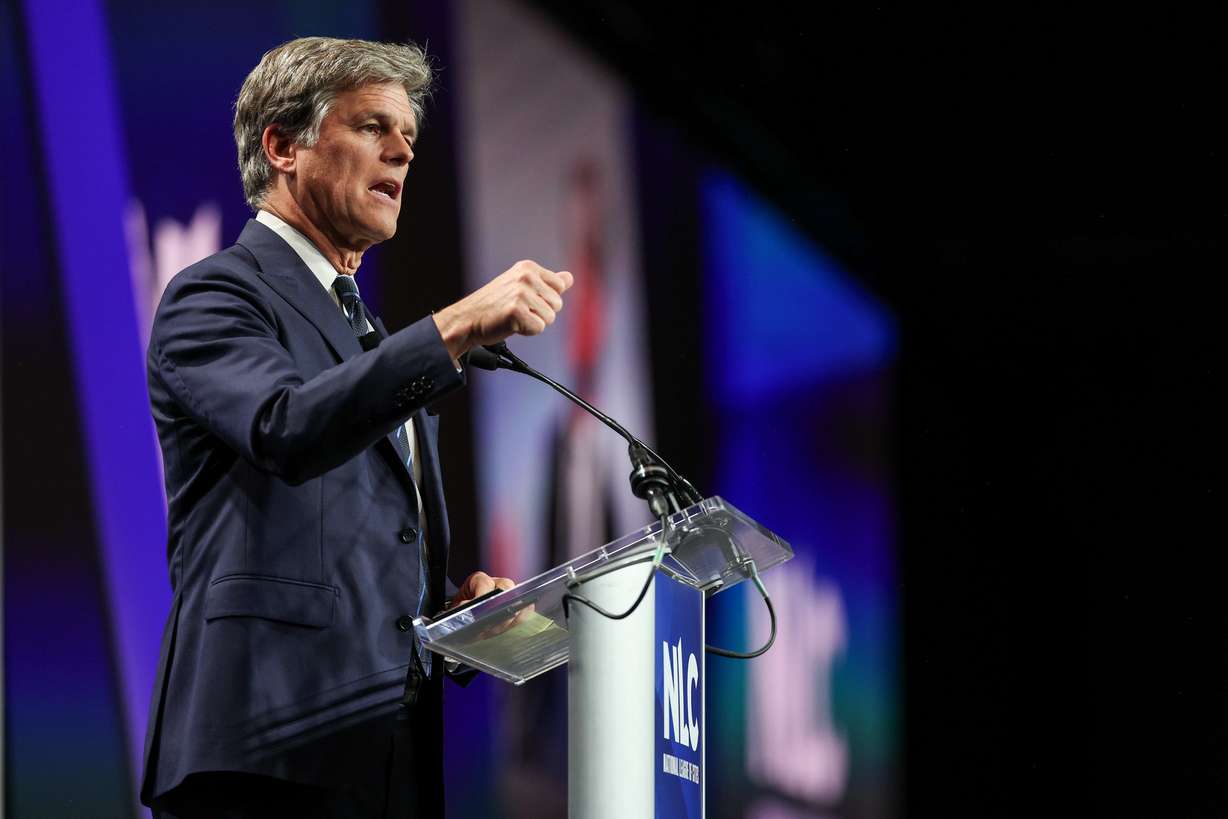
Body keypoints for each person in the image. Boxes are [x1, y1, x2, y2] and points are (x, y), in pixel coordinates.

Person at [139, 36, 573, 818]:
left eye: (407, 133)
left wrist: (452, 606)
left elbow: (351, 535)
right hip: (268, 748)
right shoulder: (216, 297)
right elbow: (284, 426)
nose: (403, 151)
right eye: (372, 126)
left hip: (384, 760)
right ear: (282, 146)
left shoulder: (369, 331)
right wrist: (458, 323)